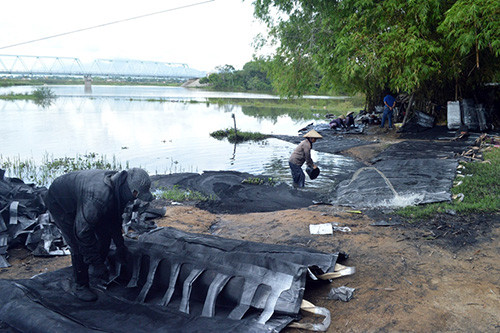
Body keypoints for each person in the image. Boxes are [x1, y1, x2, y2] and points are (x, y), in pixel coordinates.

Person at [45, 168, 154, 302]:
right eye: (136, 195)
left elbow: (114, 219)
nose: (135, 198)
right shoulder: (97, 198)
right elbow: (82, 232)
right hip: (61, 201)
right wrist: (96, 263)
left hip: (82, 199)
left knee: (104, 235)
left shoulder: (118, 185)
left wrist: (120, 246)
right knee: (77, 244)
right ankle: (80, 285)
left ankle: (97, 270)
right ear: (132, 191)